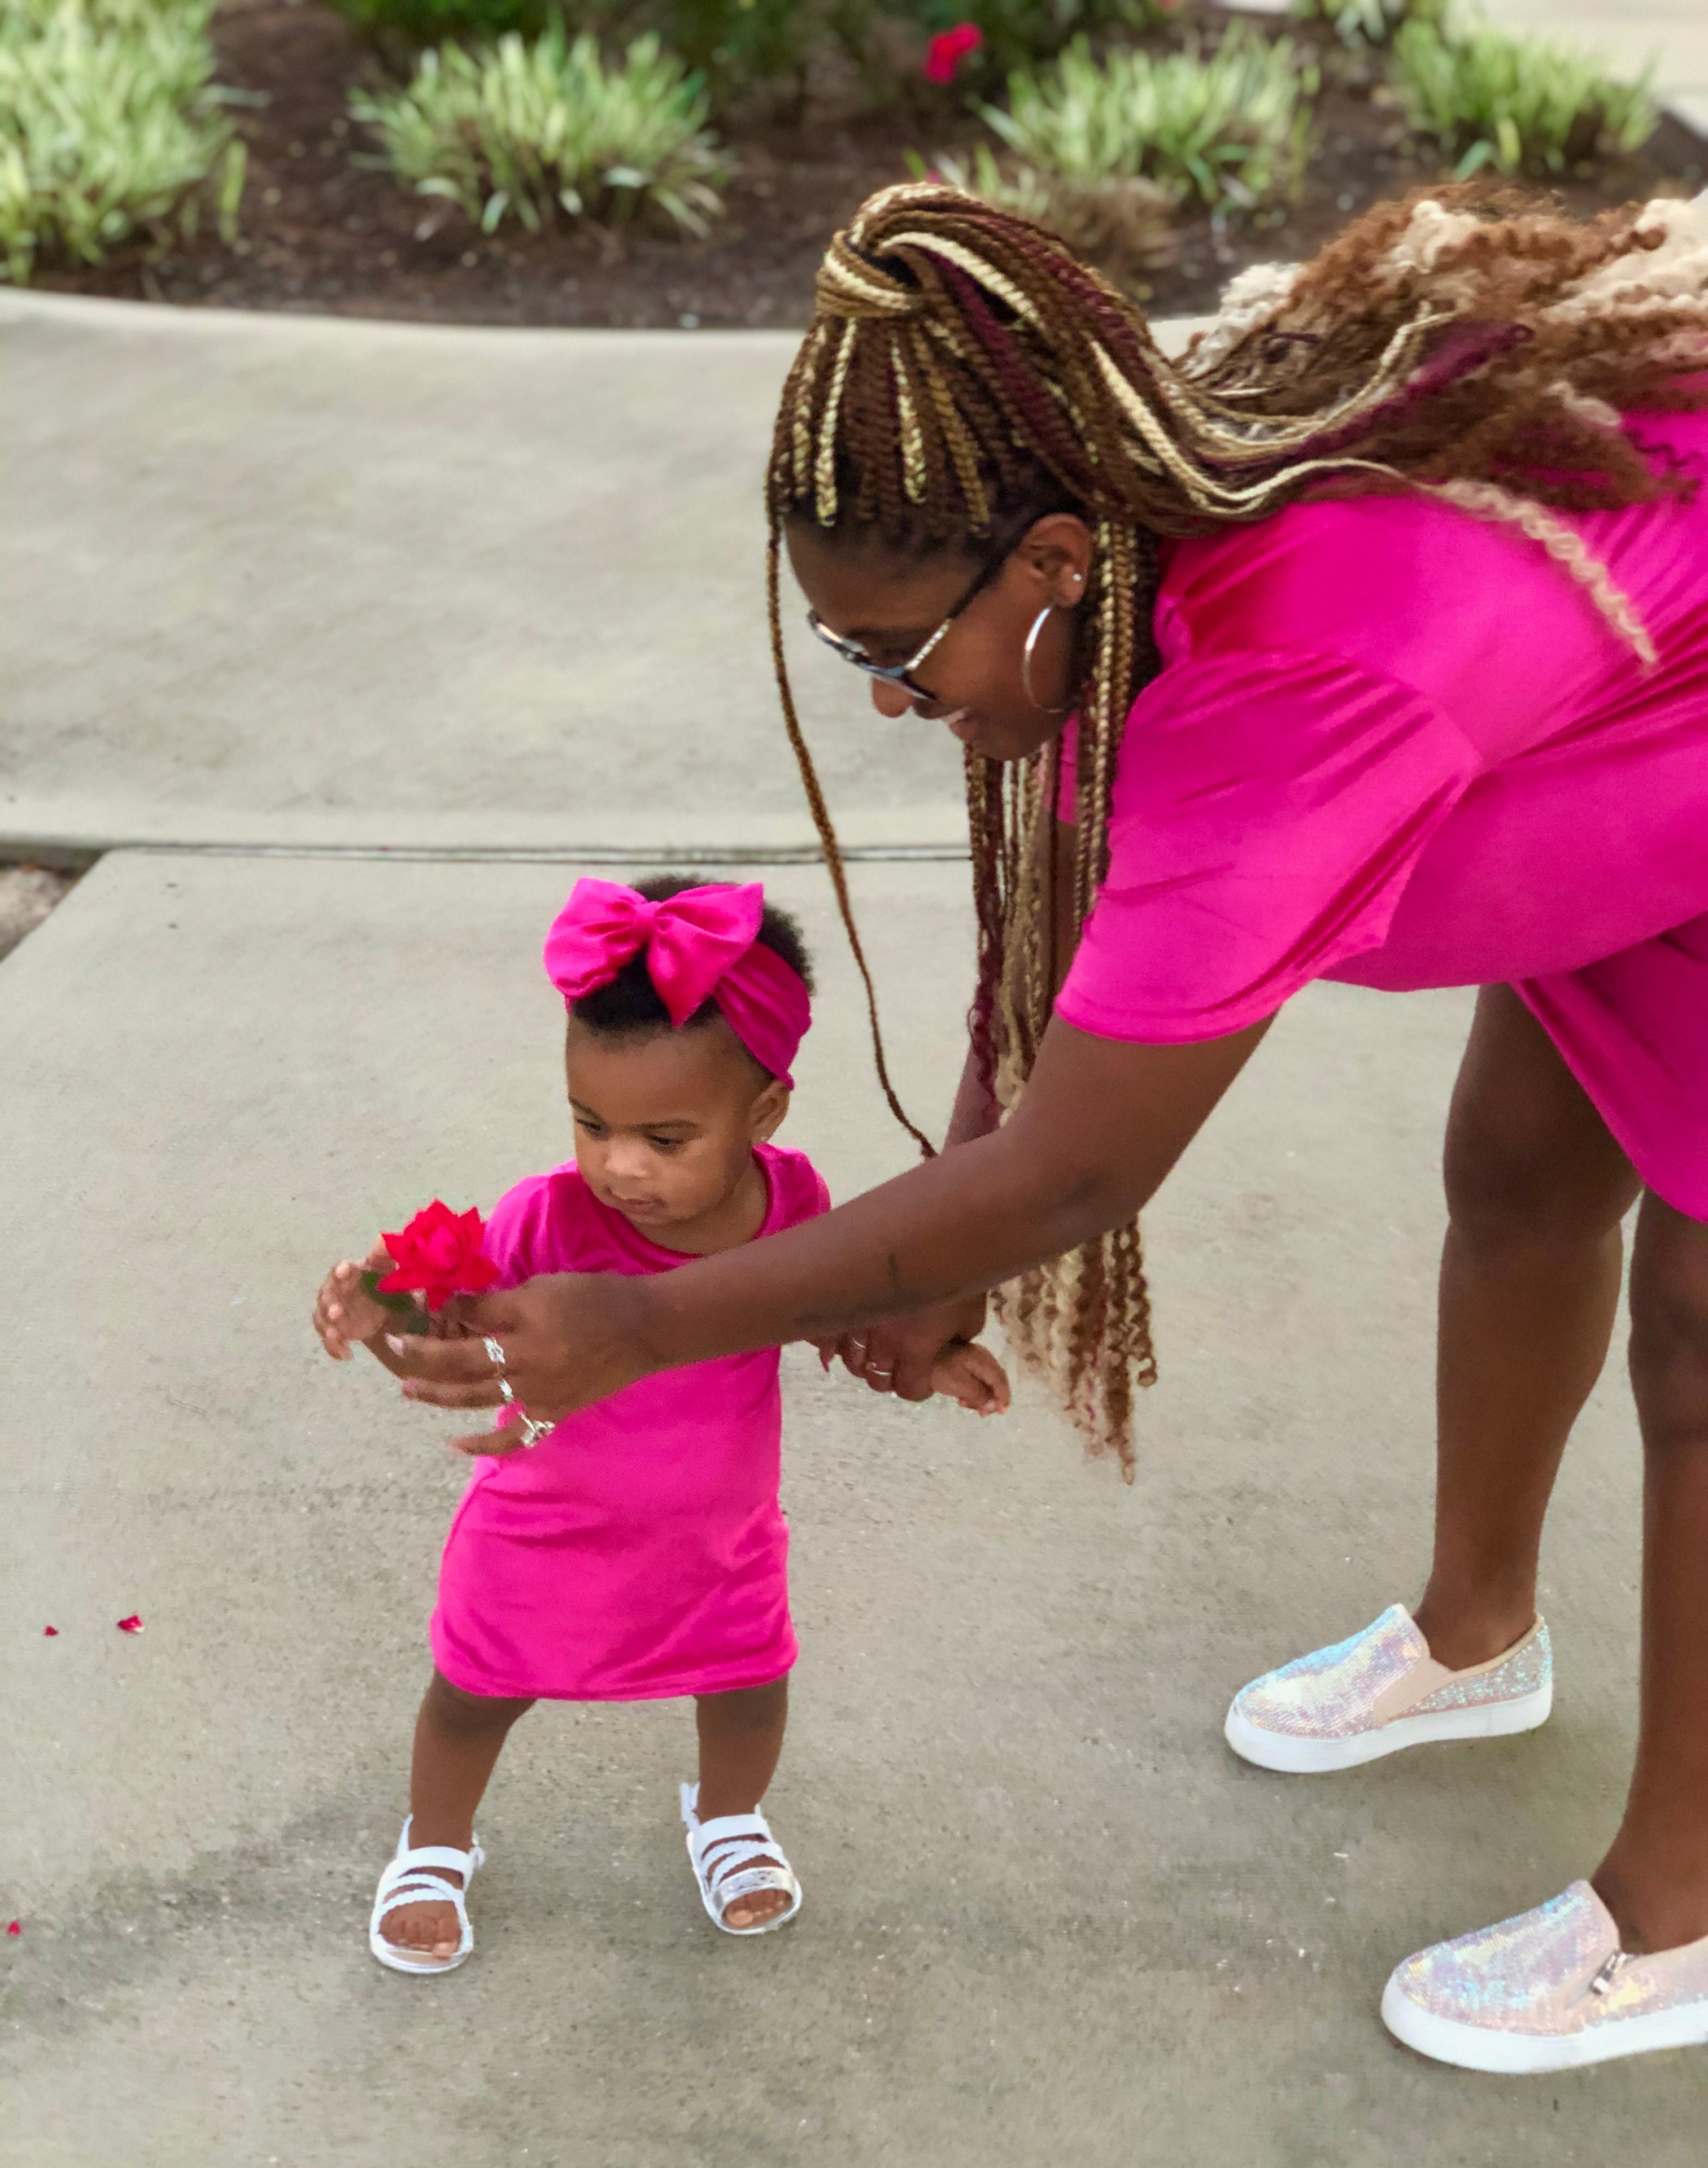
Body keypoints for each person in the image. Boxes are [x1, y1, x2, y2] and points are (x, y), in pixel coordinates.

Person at [389, 184, 1708, 2070]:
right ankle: (1479, 1632)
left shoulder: (1296, 673)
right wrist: (936, 1248)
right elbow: (1076, 950)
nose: (885, 696)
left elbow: (1089, 1159)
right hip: (1640, 728)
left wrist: (656, 1320)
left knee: (1700, 1340)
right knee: (1515, 1167)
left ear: (1053, 562)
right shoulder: (1120, 588)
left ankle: (1679, 1915)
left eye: (895, 653)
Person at [312, 872, 1009, 1973]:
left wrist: (924, 1357)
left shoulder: (792, 1207)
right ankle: (435, 1843)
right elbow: (448, 1273)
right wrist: (378, 1291)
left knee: (748, 1688)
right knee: (472, 1697)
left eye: (666, 1138)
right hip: (544, 1533)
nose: (619, 1165)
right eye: (592, 1124)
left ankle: (726, 1818)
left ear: (765, 1112)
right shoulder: (549, 1215)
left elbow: (829, 1315)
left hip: (714, 1538)